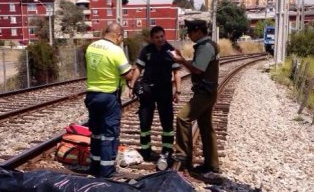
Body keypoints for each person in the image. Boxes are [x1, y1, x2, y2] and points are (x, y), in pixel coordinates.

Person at [85, 23, 133, 178]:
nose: (121, 41)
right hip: (108, 96)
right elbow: (128, 75)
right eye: (121, 38)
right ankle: (106, 170)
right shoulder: (116, 51)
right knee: (109, 133)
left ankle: (94, 166)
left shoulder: (91, 47)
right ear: (117, 35)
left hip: (92, 95)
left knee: (96, 132)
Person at [172, 19, 220, 174]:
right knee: (206, 127)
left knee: (182, 117)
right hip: (207, 92)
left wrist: (181, 61)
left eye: (190, 31)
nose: (189, 34)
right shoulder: (206, 46)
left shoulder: (206, 47)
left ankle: (183, 155)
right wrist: (183, 59)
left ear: (198, 31)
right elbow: (200, 64)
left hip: (205, 93)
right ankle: (211, 164)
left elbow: (198, 70)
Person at [130, 26, 181, 164]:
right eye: (157, 37)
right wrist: (132, 85)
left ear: (165, 36)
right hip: (147, 91)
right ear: (152, 38)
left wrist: (178, 90)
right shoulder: (146, 51)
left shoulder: (171, 51)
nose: (160, 39)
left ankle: (167, 151)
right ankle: (145, 151)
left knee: (167, 123)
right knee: (145, 122)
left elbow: (176, 72)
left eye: (162, 36)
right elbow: (138, 68)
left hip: (164, 91)